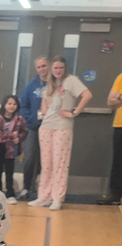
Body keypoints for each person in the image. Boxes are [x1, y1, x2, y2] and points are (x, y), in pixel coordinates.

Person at [29, 56, 91, 212]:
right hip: (46, 126)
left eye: (61, 68)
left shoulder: (71, 80)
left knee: (60, 163)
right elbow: (45, 100)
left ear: (65, 68)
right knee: (46, 163)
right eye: (55, 68)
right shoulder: (50, 83)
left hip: (62, 127)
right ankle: (44, 196)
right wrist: (43, 110)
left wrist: (74, 112)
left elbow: (87, 95)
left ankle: (57, 197)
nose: (58, 71)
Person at [19, 56, 50, 201]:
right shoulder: (31, 86)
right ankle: (26, 188)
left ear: (48, 66)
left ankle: (46, 191)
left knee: (48, 160)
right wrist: (31, 119)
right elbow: (23, 106)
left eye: (44, 66)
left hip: (52, 128)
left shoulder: (56, 84)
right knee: (30, 158)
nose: (42, 69)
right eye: (39, 67)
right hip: (33, 128)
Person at [0, 95, 27, 203]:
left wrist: (19, 138)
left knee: (10, 171)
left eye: (14, 104)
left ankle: (10, 194)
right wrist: (11, 136)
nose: (12, 106)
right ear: (4, 105)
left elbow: (24, 132)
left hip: (11, 150)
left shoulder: (19, 120)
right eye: (9, 103)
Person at [96, 68, 122, 205]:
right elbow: (111, 101)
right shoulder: (120, 78)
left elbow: (116, 99)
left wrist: (120, 97)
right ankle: (115, 194)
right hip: (120, 124)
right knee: (118, 161)